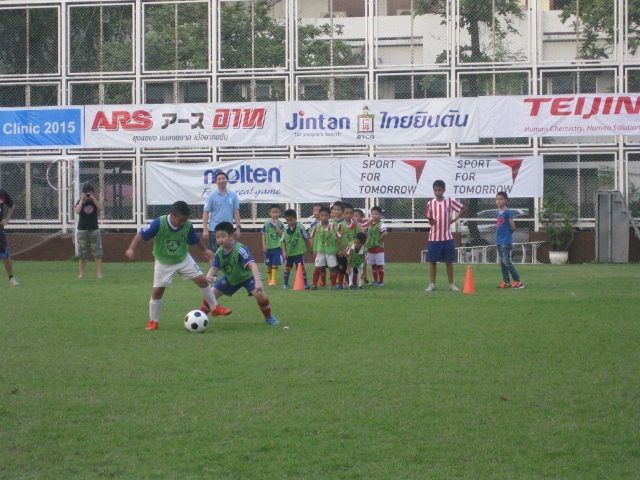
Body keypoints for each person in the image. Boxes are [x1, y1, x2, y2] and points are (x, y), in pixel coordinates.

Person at [125, 200, 230, 331]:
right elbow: (140, 235)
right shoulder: (160, 222)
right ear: (172, 215)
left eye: (185, 220)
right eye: (180, 220)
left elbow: (195, 239)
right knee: (158, 292)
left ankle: (215, 308)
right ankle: (153, 321)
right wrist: (131, 249)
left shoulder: (187, 225)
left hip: (182, 258)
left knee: (202, 280)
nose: (182, 223)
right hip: (163, 261)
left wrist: (205, 251)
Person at [204, 222, 279, 326]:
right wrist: (209, 275)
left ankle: (269, 317)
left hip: (247, 277)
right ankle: (200, 316)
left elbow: (252, 265)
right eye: (217, 237)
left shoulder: (240, 249)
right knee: (210, 295)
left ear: (231, 236)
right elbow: (214, 267)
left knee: (259, 294)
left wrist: (258, 283)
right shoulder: (219, 252)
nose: (220, 239)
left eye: (223, 236)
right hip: (231, 278)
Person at [424, 180, 467, 292]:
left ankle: (451, 284)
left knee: (449, 260)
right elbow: (429, 217)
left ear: (444, 190)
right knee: (432, 261)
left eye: (439, 190)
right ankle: (432, 284)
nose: (437, 192)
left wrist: (455, 219)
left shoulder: (449, 201)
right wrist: (431, 221)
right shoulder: (430, 203)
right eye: (435, 190)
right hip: (434, 237)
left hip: (447, 236)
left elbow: (464, 208)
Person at [202, 171, 241, 251]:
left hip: (228, 229)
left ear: (226, 180)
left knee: (229, 252)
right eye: (219, 179)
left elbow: (236, 213)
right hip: (214, 230)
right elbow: (206, 213)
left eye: (223, 179)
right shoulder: (211, 196)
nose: (221, 181)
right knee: (214, 254)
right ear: (216, 182)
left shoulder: (233, 195)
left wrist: (238, 228)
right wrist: (205, 229)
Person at [495, 191, 525, 289]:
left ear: (506, 200)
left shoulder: (508, 212)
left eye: (501, 199)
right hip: (499, 240)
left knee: (506, 261)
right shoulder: (497, 212)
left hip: (505, 240)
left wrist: (507, 236)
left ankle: (518, 281)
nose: (498, 201)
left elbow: (513, 226)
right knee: (501, 262)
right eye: (497, 199)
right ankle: (506, 282)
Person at [309, 206, 342, 290]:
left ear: (329, 216)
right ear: (319, 216)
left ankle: (333, 285)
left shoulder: (334, 227)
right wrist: (312, 249)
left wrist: (340, 249)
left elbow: (338, 238)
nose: (324, 217)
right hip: (320, 250)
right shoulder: (316, 227)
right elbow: (312, 238)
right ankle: (314, 284)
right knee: (318, 267)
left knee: (332, 268)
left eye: (326, 215)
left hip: (331, 251)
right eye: (322, 215)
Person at [75, 183, 103, 279]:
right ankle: (81, 274)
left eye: (90, 193)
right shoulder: (80, 201)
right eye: (87, 193)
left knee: (97, 253)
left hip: (94, 229)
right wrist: (82, 200)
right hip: (82, 229)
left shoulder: (94, 202)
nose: (88, 195)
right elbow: (77, 211)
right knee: (82, 253)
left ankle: (99, 274)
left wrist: (93, 199)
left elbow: (101, 208)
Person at [281, 209, 312, 290]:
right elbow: (283, 241)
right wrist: (284, 252)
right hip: (289, 253)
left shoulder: (300, 227)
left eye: (291, 220)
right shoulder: (285, 230)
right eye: (287, 220)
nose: (289, 222)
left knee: (301, 267)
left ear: (295, 219)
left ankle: (305, 283)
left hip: (299, 252)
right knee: (287, 268)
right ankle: (286, 284)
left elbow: (306, 238)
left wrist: (309, 248)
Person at [337, 203, 360, 289]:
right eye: (347, 213)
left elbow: (361, 233)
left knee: (354, 268)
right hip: (344, 251)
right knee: (342, 268)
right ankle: (340, 284)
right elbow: (338, 238)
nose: (349, 215)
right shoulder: (340, 225)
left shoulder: (355, 225)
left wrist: (356, 222)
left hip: (353, 251)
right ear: (343, 214)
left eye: (351, 213)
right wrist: (340, 250)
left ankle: (354, 284)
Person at [261, 204, 284, 286]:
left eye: (277, 212)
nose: (275, 214)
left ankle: (273, 280)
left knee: (275, 263)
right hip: (268, 247)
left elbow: (282, 234)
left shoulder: (281, 224)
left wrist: (276, 226)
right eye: (273, 212)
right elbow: (263, 234)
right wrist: (264, 244)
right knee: (268, 264)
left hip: (277, 247)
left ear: (280, 213)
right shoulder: (266, 223)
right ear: (270, 213)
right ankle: (269, 279)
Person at [0, 188, 19, 286]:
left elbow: (12, 206)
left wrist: (6, 220)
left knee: (5, 255)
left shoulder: (2, 193)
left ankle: (11, 279)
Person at [366, 206, 388, 286]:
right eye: (373, 214)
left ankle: (381, 281)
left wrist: (378, 241)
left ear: (380, 215)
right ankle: (375, 280)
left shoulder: (381, 224)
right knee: (373, 265)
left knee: (379, 265)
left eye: (376, 214)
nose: (374, 215)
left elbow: (385, 233)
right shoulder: (370, 224)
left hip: (378, 248)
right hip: (370, 247)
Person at [353, 208, 369, 285]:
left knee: (363, 261)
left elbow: (363, 233)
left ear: (361, 217)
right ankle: (353, 281)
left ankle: (364, 275)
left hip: (362, 246)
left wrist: (361, 220)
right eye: (353, 216)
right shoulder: (351, 224)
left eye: (356, 216)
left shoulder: (362, 224)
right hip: (354, 246)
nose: (354, 217)